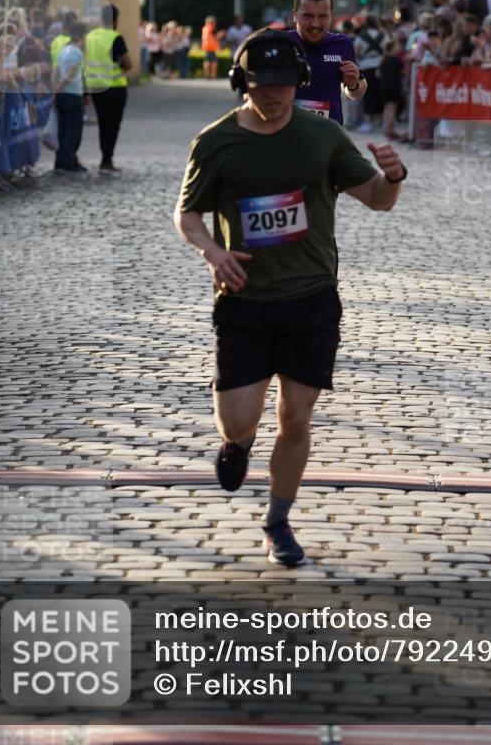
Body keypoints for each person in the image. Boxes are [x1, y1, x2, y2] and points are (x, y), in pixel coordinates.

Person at [172, 28, 407, 567]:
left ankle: (278, 522)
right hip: (245, 300)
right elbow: (186, 214)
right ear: (242, 83)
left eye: (282, 84)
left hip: (311, 297)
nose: (273, 94)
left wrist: (395, 177)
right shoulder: (216, 142)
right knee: (240, 421)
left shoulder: (321, 136)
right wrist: (213, 252)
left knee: (296, 414)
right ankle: (236, 447)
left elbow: (377, 199)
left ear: (298, 81)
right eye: (261, 85)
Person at [288, 0, 366, 125]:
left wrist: (353, 84)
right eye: (308, 16)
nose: (315, 24)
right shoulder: (282, 44)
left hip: (330, 136)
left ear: (331, 16)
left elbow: (357, 93)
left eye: (322, 16)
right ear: (295, 15)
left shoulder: (342, 44)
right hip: (289, 135)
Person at [84, 3, 132, 175]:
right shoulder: (115, 37)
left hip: (96, 88)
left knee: (103, 124)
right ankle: (106, 159)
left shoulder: (90, 37)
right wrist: (120, 71)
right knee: (113, 125)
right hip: (115, 88)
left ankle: (104, 157)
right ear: (116, 19)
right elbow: (128, 63)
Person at [54, 21, 88, 176]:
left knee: (62, 130)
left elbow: (56, 71)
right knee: (73, 131)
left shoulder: (63, 50)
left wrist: (55, 90)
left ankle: (61, 160)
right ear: (81, 36)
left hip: (62, 95)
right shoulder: (77, 52)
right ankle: (68, 161)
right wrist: (60, 88)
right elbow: (71, 74)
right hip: (73, 94)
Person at [354, 15, 387, 132]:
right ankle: (380, 118)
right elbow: (387, 49)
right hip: (380, 66)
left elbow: (356, 52)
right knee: (380, 92)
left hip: (366, 66)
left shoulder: (361, 37)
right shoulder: (383, 36)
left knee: (368, 94)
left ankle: (368, 120)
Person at [201, 15, 224, 80]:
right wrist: (222, 34)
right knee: (214, 61)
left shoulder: (204, 28)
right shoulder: (211, 27)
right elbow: (216, 36)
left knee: (207, 61)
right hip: (211, 48)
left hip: (206, 47)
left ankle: (207, 75)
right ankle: (213, 75)